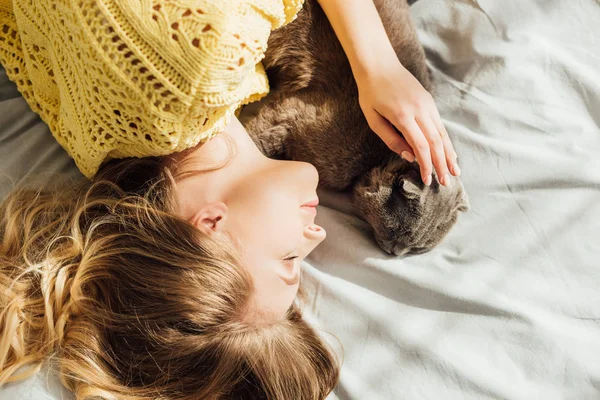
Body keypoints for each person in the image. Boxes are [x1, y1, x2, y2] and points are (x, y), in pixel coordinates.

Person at [0, 0, 460, 398]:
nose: (317, 235)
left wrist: (377, 64)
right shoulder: (97, 146)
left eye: (288, 260)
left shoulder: (204, 65)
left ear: (210, 226)